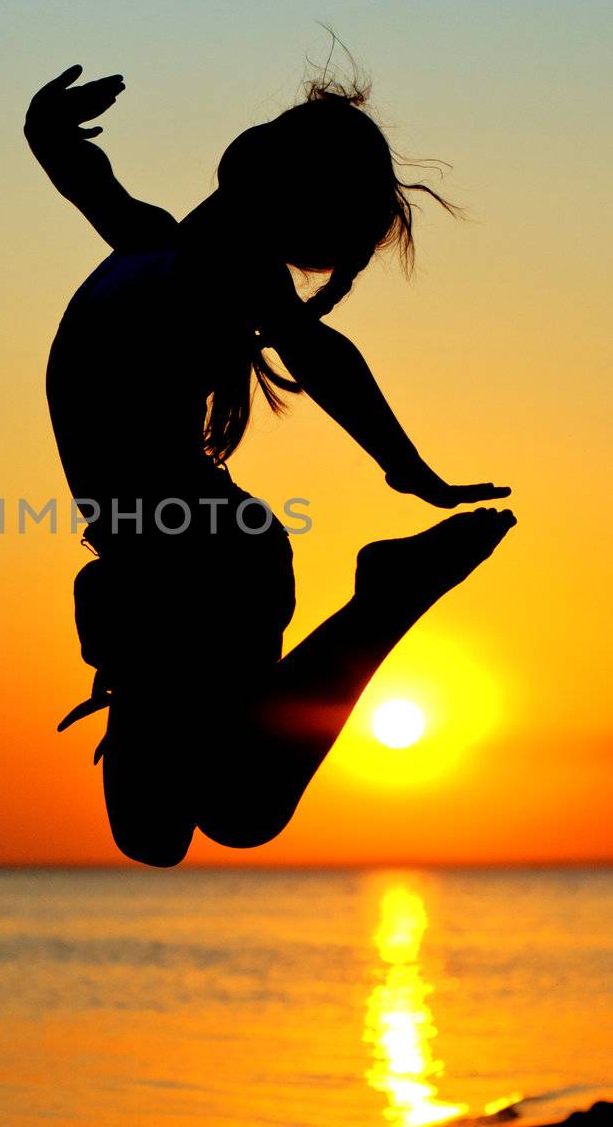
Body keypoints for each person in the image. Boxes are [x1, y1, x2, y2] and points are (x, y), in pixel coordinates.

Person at [27, 58, 515, 868]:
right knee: (174, 828)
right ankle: (384, 598)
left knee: (232, 811)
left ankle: (387, 600)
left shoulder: (229, 272)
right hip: (161, 557)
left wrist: (405, 468)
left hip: (206, 562)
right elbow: (91, 184)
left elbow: (319, 353)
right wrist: (48, 137)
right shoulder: (155, 245)